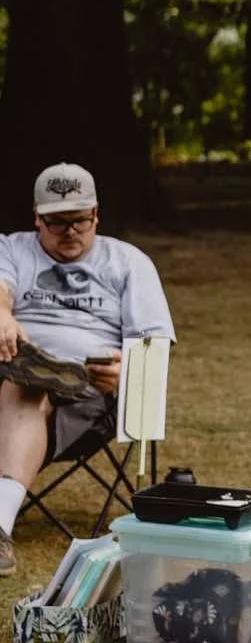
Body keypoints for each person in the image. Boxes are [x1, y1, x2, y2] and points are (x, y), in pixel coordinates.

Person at [0, 163, 176, 574]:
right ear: (36, 218)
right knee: (25, 379)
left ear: (96, 214)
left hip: (90, 399)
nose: (69, 232)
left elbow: (152, 348)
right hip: (12, 372)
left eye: (79, 220)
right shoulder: (12, 248)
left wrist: (125, 375)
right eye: (57, 222)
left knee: (27, 389)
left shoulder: (128, 262)